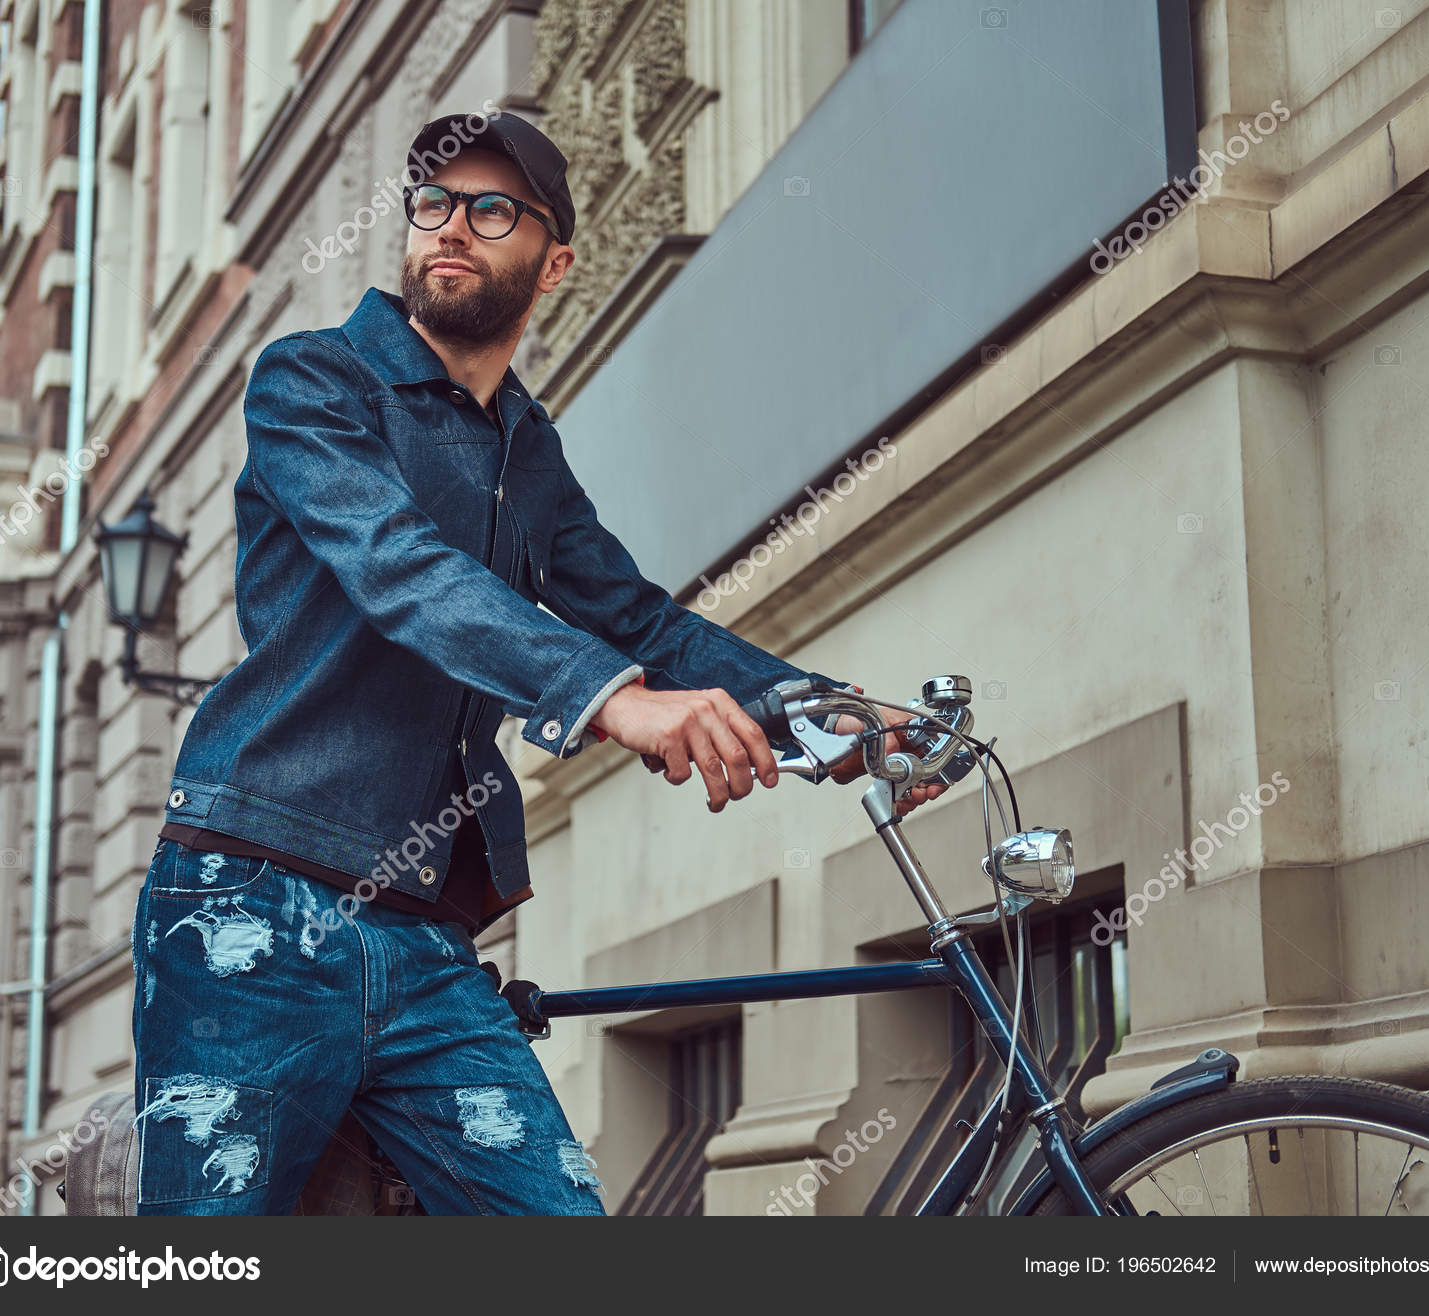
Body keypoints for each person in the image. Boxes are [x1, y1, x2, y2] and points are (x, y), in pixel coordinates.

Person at [131, 109, 945, 1215]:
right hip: (254, 897)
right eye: (433, 204)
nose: (451, 228)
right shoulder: (311, 382)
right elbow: (400, 568)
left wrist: (830, 711)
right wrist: (611, 701)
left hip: (422, 936)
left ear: (555, 259)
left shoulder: (526, 443)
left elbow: (640, 619)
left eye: (492, 208)